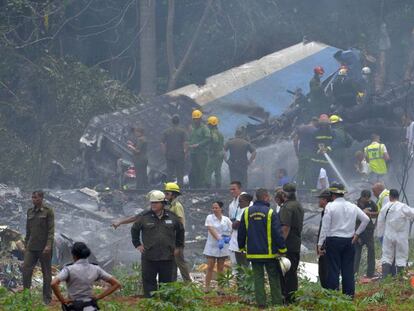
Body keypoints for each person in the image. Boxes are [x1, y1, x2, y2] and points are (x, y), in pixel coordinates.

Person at [318, 183, 369, 297]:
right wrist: (356, 234)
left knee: (333, 270)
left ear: (332, 195)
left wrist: (320, 244)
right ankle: (349, 296)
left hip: (333, 241)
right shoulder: (352, 206)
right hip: (348, 242)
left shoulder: (330, 207)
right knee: (348, 271)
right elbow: (366, 219)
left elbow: (325, 227)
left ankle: (334, 296)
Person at [238, 188, 287, 308]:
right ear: (265, 197)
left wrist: (241, 247)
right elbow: (277, 233)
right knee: (273, 278)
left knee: (258, 279)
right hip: (269, 253)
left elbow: (241, 232)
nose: (270, 198)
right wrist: (282, 249)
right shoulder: (270, 212)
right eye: (269, 196)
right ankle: (277, 303)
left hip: (254, 253)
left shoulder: (246, 212)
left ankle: (261, 304)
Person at [131, 190, 184, 297]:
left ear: (163, 203)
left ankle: (166, 305)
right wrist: (137, 244)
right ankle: (151, 304)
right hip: (149, 256)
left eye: (156, 203)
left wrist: (178, 247)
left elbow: (180, 230)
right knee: (149, 284)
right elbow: (134, 229)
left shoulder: (172, 216)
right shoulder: (144, 217)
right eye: (152, 203)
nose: (153, 205)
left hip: (168, 256)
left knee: (167, 285)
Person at [51, 242, 121, 310]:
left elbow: (53, 283)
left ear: (73, 255)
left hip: (74, 305)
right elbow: (116, 284)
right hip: (90, 305)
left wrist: (62, 300)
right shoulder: (96, 269)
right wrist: (98, 297)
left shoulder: (69, 269)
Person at [23, 191, 55, 304]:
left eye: (35, 197)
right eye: (32, 197)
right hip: (31, 247)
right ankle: (26, 297)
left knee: (46, 273)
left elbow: (51, 230)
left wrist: (49, 245)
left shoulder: (48, 211)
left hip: (44, 248)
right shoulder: (30, 211)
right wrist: (25, 244)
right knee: (26, 270)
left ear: (41, 198)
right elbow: (28, 229)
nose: (33, 199)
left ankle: (47, 298)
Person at [377, 189, 414, 278]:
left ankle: (385, 278)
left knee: (386, 256)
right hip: (401, 237)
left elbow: (380, 223)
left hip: (388, 236)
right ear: (398, 196)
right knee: (401, 257)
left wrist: (380, 236)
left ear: (390, 197)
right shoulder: (403, 207)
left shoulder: (384, 208)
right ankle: (400, 278)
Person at [278, 183, 304, 303]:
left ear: (284, 194)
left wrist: (280, 245)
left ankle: (287, 298)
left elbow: (285, 228)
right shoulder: (298, 205)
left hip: (288, 245)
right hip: (296, 244)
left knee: (286, 272)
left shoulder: (287, 207)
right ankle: (293, 297)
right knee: (292, 272)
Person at [164, 182, 192, 282]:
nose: (165, 196)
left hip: (177, 239)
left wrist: (178, 241)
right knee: (172, 263)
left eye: (167, 194)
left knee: (180, 262)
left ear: (173, 194)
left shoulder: (177, 206)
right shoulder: (170, 206)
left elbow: (180, 223)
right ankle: (173, 283)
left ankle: (188, 284)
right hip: (171, 239)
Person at [203, 201, 232, 291]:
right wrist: (219, 239)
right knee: (210, 266)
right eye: (213, 208)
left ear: (221, 208)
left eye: (216, 208)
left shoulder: (226, 219)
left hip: (223, 247)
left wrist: (228, 238)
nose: (214, 209)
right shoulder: (209, 217)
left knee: (221, 267)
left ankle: (220, 287)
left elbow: (231, 229)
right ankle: (207, 287)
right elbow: (211, 229)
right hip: (212, 246)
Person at [354, 190, 378, 278]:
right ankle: (354, 273)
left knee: (371, 251)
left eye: (369, 198)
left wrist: (369, 213)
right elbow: (351, 218)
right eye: (366, 199)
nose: (368, 200)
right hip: (358, 232)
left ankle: (370, 273)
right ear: (362, 197)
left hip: (368, 231)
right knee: (357, 253)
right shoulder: (355, 205)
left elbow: (378, 213)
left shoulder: (371, 203)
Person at [161, 114, 188, 186]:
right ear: (179, 122)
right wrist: (185, 152)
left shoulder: (166, 131)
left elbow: (162, 143)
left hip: (169, 155)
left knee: (170, 172)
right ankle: (180, 188)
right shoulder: (182, 131)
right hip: (180, 155)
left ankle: (169, 188)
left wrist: (165, 152)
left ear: (171, 122)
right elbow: (185, 143)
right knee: (180, 173)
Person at [310, 115, 334, 191]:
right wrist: (318, 150)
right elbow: (311, 144)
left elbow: (334, 143)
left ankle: (333, 192)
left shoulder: (331, 133)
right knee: (314, 176)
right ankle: (313, 193)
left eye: (325, 125)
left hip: (327, 159)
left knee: (331, 176)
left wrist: (328, 149)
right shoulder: (315, 132)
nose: (324, 126)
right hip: (316, 159)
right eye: (322, 125)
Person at [293, 117, 318, 188]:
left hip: (301, 153)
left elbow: (295, 141)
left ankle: (298, 187)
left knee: (301, 170)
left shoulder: (300, 128)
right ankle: (308, 188)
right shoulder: (315, 130)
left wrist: (297, 152)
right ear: (315, 121)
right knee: (309, 170)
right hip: (311, 153)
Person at [188, 110, 211, 188]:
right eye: (194, 119)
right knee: (195, 170)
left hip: (201, 153)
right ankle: (197, 186)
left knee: (202, 170)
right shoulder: (193, 129)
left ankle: (203, 186)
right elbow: (190, 139)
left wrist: (199, 144)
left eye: (197, 119)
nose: (195, 120)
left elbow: (208, 138)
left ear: (200, 119)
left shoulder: (204, 128)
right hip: (193, 153)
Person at [228, 193, 252, 267]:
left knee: (241, 265)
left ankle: (242, 278)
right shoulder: (245, 210)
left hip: (240, 242)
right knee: (243, 265)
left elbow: (236, 225)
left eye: (240, 201)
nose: (239, 204)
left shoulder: (245, 210)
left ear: (247, 202)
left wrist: (233, 224)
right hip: (240, 241)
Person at [316, 189, 332, 289]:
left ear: (325, 200)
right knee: (322, 270)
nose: (318, 202)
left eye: (320, 199)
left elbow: (326, 230)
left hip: (327, 246)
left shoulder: (329, 212)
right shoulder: (324, 212)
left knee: (326, 270)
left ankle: (329, 291)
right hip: (323, 245)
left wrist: (321, 245)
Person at [206, 116, 224, 188]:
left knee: (208, 171)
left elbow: (215, 141)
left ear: (211, 124)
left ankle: (208, 186)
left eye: (208, 124)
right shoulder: (220, 133)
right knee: (217, 171)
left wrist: (213, 150)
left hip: (215, 155)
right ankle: (218, 186)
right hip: (220, 154)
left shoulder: (212, 132)